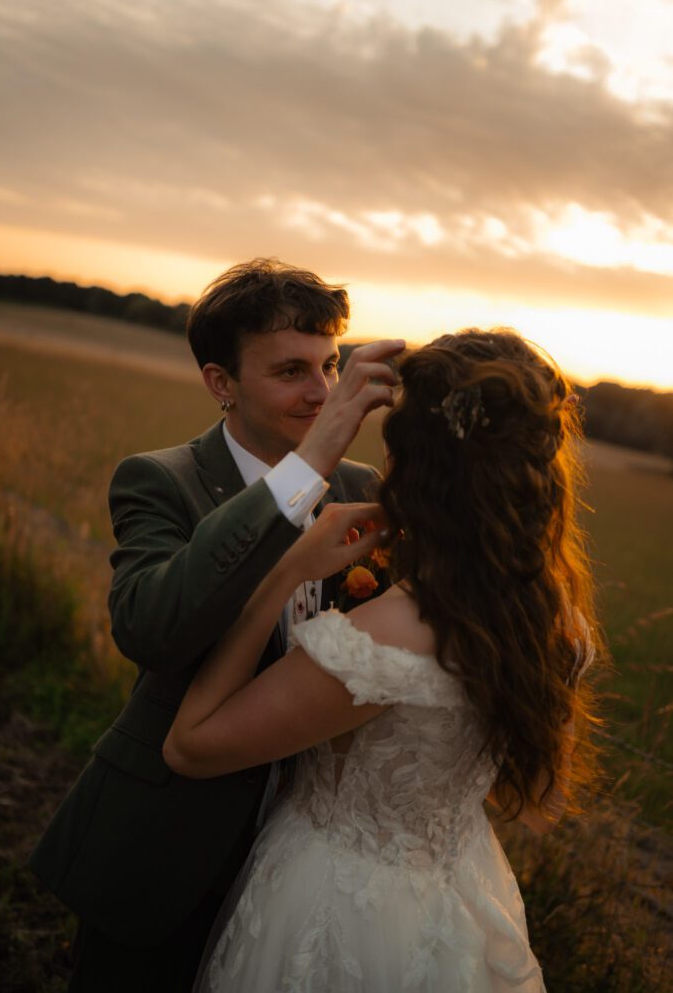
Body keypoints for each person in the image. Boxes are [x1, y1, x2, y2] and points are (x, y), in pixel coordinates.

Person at [164, 328, 603, 993]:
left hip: (329, 907)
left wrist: (284, 573)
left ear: (412, 464)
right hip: (461, 901)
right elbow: (543, 802)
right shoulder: (556, 624)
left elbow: (190, 746)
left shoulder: (381, 640)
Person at [29, 257, 405, 992]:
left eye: (329, 365)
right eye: (291, 370)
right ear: (220, 383)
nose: (322, 391)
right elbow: (152, 630)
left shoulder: (363, 490)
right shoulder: (159, 480)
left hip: (309, 858)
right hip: (167, 844)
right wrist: (307, 466)